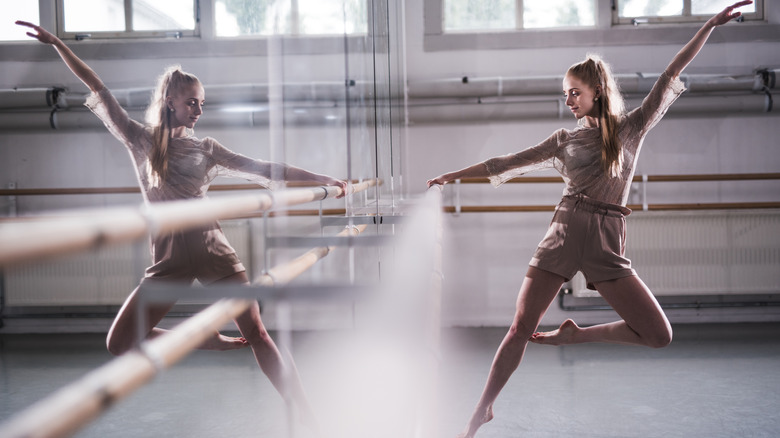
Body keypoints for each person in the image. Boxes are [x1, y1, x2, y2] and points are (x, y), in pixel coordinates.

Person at [426, 2, 753, 437]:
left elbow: (670, 73)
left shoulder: (630, 128)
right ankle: (482, 408)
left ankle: (577, 335)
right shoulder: (563, 139)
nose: (567, 99)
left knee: (659, 335)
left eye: (574, 91)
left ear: (596, 91)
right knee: (521, 326)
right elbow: (507, 160)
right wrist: (455, 174)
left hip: (604, 239)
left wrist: (709, 24)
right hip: (563, 231)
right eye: (564, 92)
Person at [17, 20, 348, 429]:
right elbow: (99, 89)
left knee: (259, 334)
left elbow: (266, 168)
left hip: (213, 249)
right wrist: (57, 44)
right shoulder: (140, 139)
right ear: (170, 100)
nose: (199, 109)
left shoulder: (208, 148)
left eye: (202, 103)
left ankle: (307, 414)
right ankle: (200, 338)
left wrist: (322, 180)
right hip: (168, 257)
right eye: (192, 101)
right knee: (118, 342)